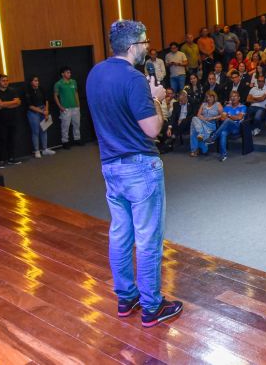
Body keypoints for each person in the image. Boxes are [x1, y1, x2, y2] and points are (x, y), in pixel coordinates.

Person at [86, 19, 183, 328]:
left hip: (110, 166)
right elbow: (153, 129)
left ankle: (126, 298)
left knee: (120, 234)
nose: (147, 47)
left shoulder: (94, 74)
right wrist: (156, 97)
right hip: (140, 167)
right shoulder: (134, 78)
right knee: (148, 239)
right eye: (144, 43)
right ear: (131, 47)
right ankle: (152, 307)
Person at [0, 74, 22, 168]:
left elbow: (18, 103)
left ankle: (11, 159)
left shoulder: (13, 90)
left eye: (7, 80)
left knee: (11, 139)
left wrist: (3, 105)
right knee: (1, 140)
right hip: (0, 120)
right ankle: (1, 160)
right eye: (3, 80)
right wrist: (8, 104)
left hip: (12, 119)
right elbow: (0, 103)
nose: (5, 82)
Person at [207, 91, 246, 161]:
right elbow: (222, 118)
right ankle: (223, 154)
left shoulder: (242, 107)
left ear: (239, 98)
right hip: (227, 127)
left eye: (235, 96)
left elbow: (239, 118)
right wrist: (232, 117)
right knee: (223, 133)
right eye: (231, 96)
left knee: (228, 120)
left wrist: (229, 116)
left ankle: (213, 138)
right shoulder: (227, 107)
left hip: (237, 127)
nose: (233, 98)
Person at [54, 66, 82, 149]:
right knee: (65, 126)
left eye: (70, 72)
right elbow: (55, 96)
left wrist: (78, 104)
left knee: (77, 124)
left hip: (75, 107)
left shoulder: (73, 82)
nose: (69, 74)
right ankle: (65, 141)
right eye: (67, 72)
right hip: (65, 108)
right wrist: (60, 107)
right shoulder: (58, 84)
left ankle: (77, 139)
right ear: (62, 74)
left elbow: (76, 93)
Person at [189, 91, 222, 156]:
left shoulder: (218, 104)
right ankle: (201, 135)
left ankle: (196, 149)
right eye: (207, 97)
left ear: (214, 97)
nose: (208, 98)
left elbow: (222, 115)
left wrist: (212, 118)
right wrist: (203, 118)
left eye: (210, 97)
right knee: (194, 118)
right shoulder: (203, 104)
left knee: (193, 129)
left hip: (211, 124)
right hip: (202, 122)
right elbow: (198, 114)